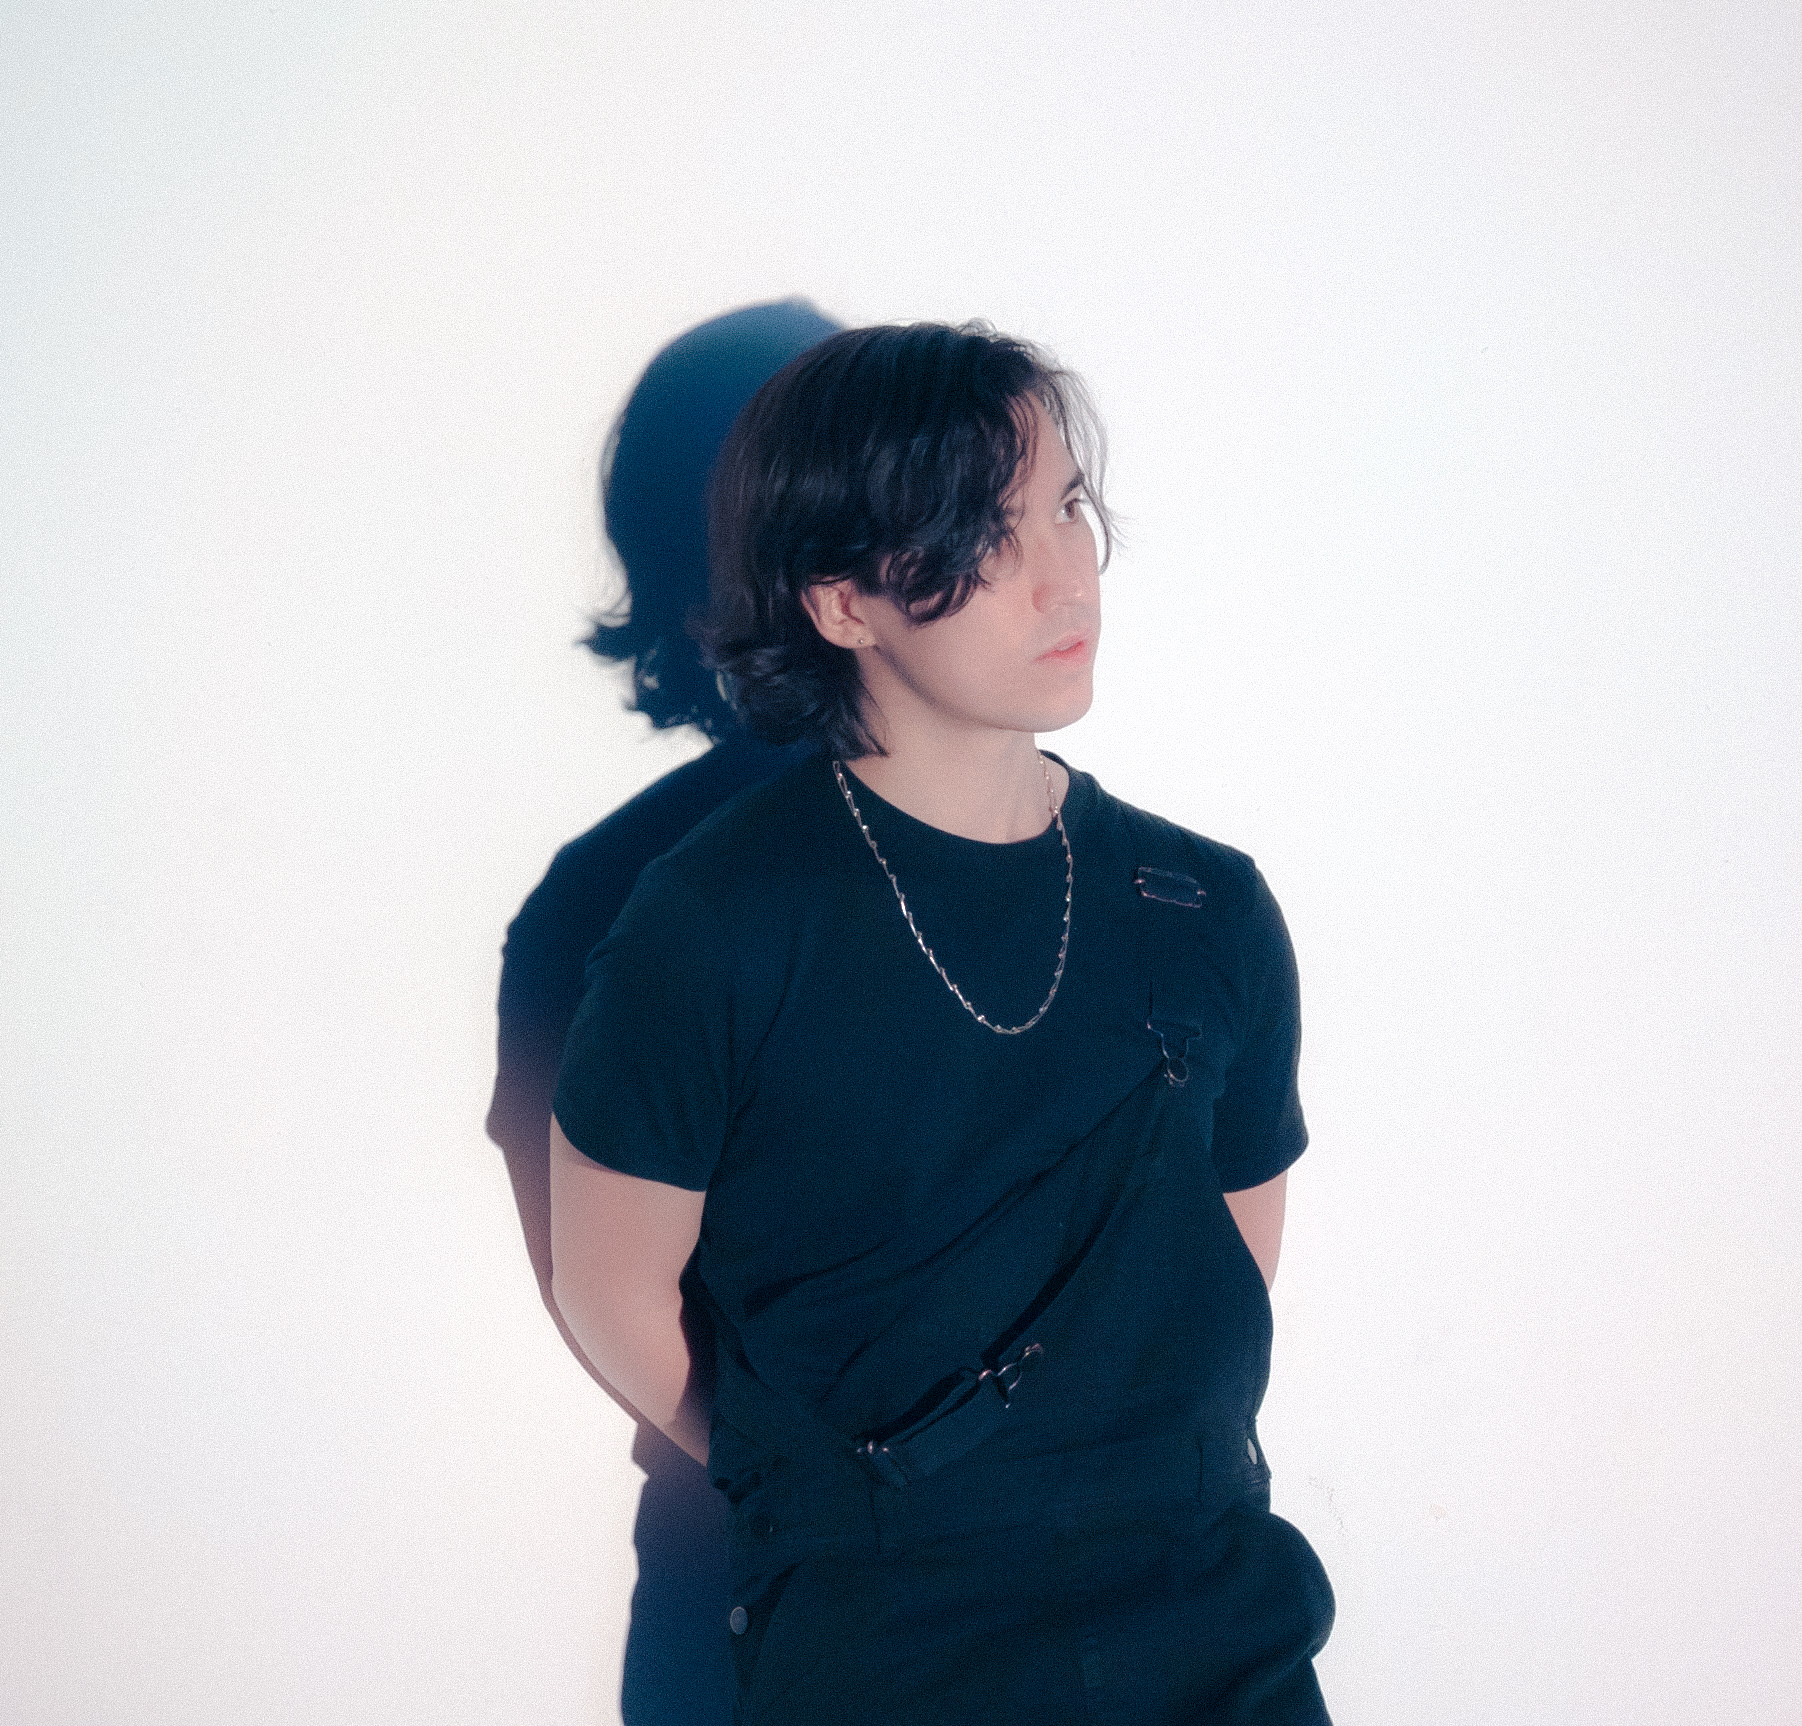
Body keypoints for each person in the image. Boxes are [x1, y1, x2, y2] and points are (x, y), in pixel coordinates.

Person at [548, 323, 1336, 1723]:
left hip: (1212, 1631)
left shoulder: (1202, 905)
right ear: (841, 600)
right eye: (983, 536)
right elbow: (612, 1288)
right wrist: (852, 1484)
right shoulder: (715, 921)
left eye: (1066, 507)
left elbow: (1222, 1264)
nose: (1063, 574)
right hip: (893, 1648)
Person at [487, 299, 839, 1726]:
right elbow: (608, 1302)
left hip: (1103, 1592)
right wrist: (855, 1496)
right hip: (767, 1595)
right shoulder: (604, 907)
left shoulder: (1101, 867)